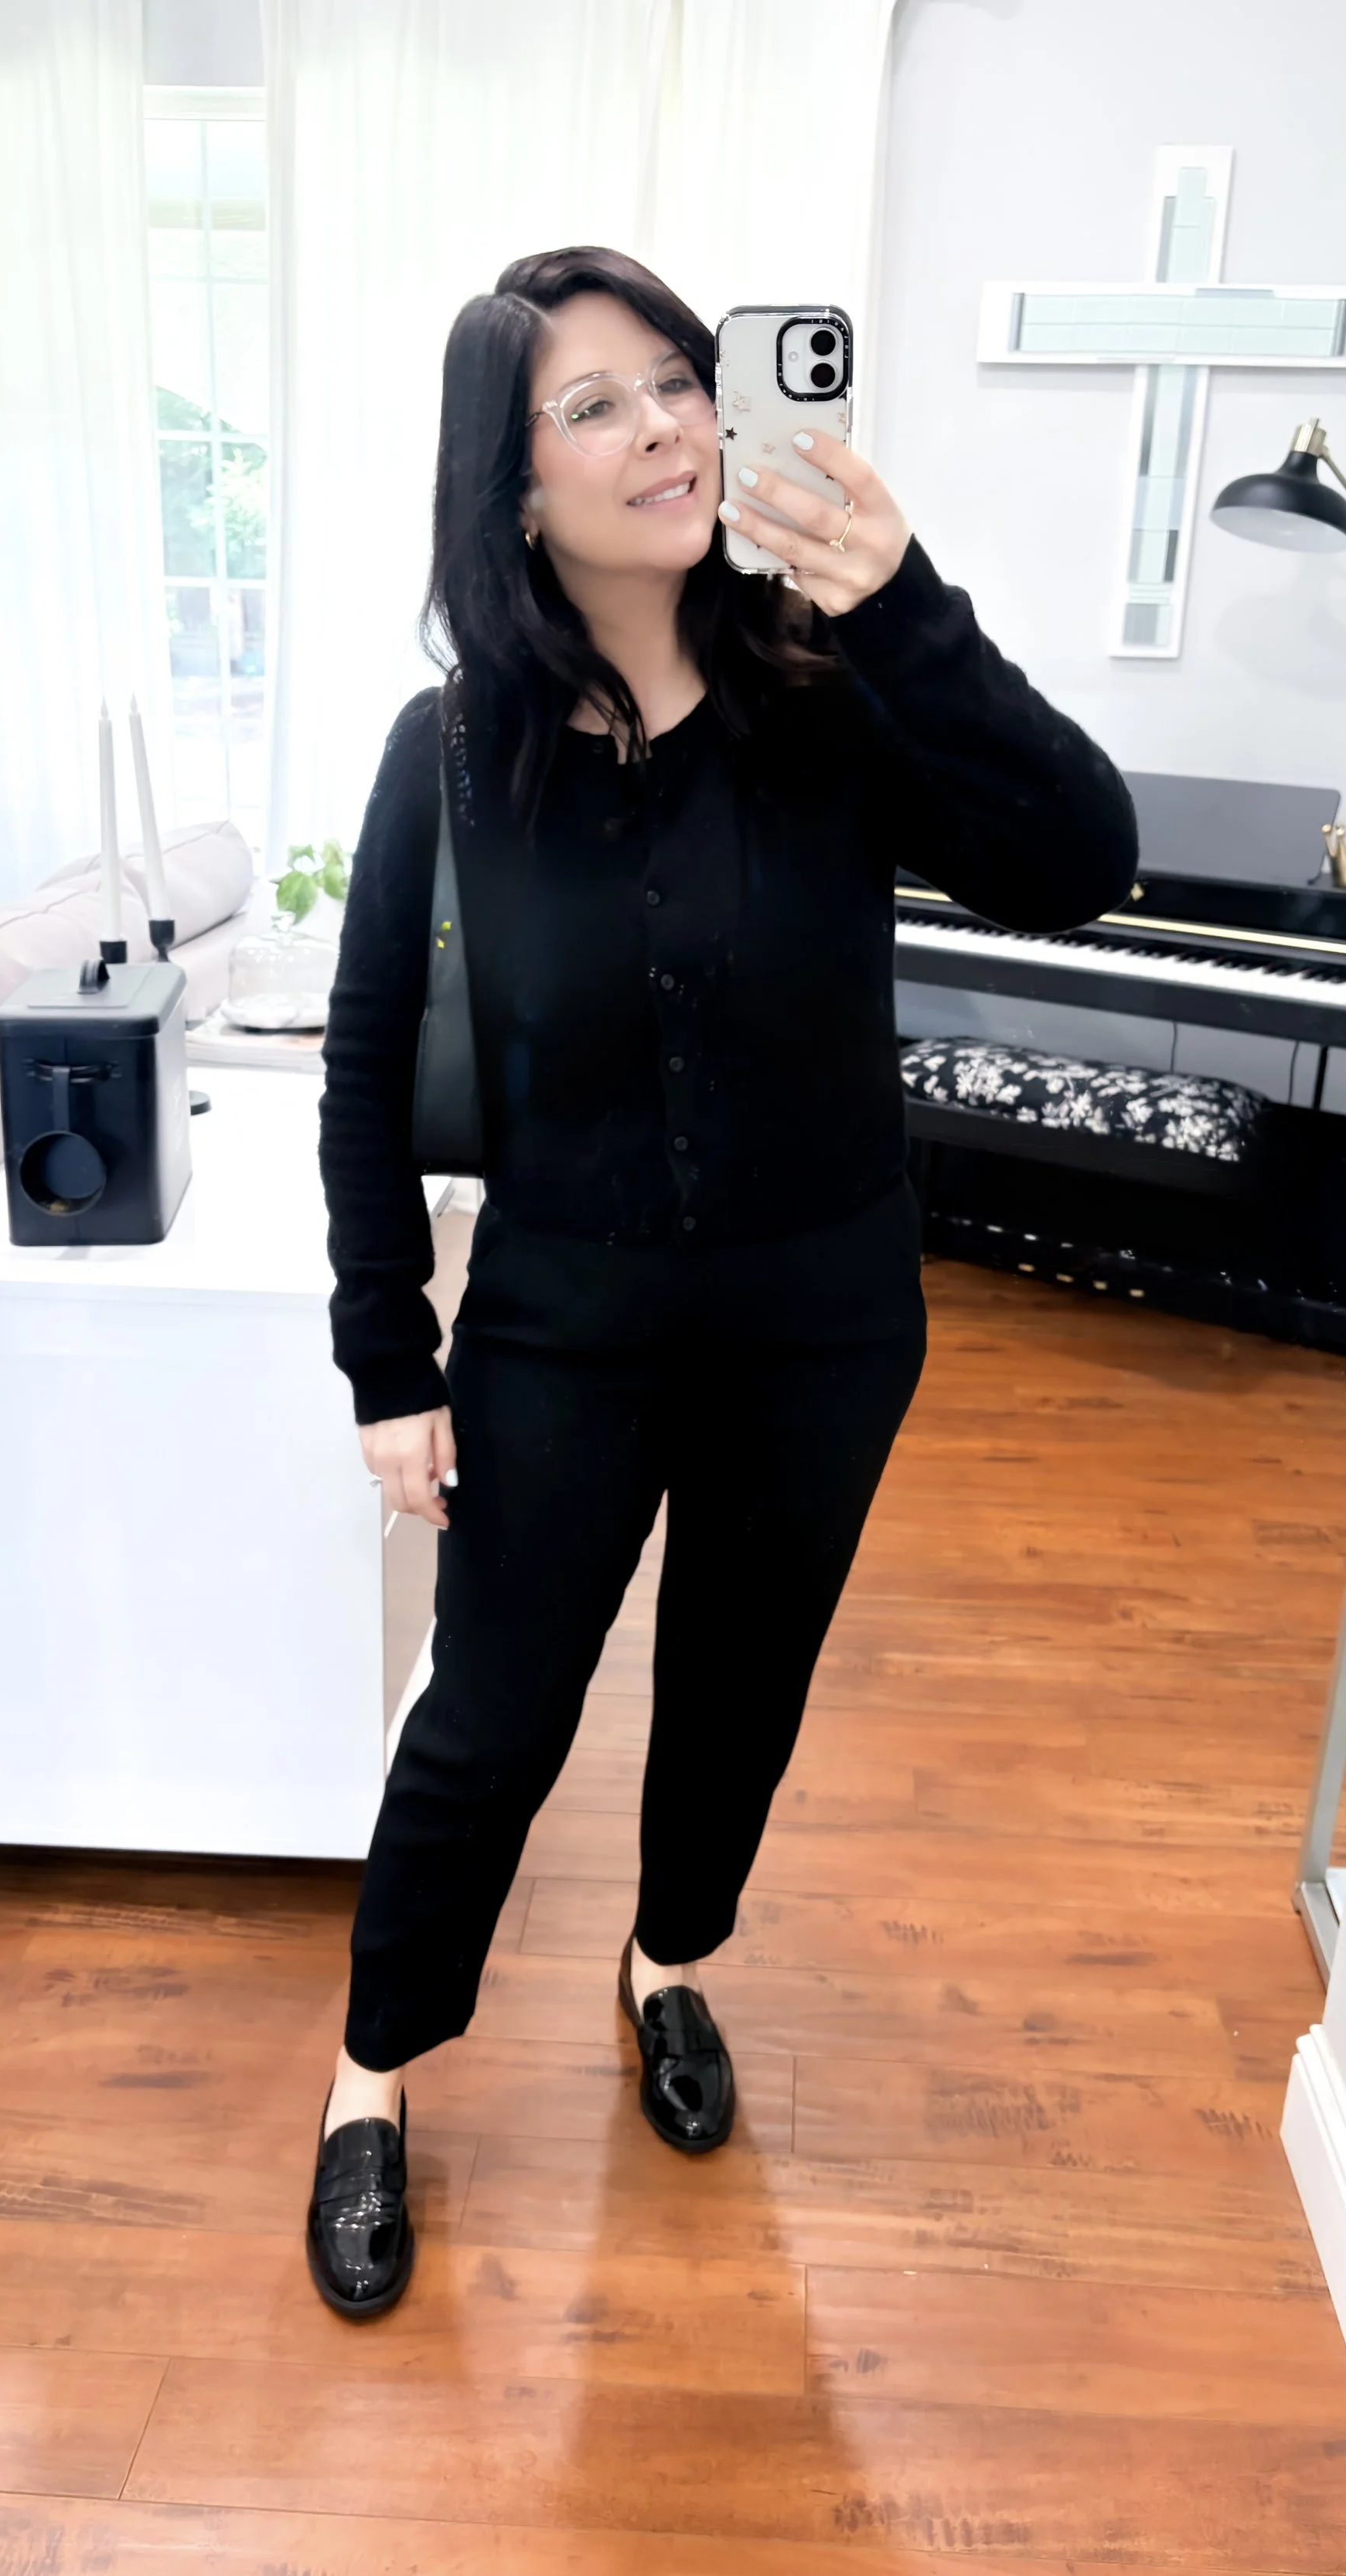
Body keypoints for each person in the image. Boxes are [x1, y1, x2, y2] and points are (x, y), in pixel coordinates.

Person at [308, 245, 1136, 2319]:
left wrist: (908, 607)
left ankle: (667, 1959)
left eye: (680, 380)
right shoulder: (451, 751)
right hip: (561, 1326)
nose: (667, 425)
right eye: (595, 404)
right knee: (490, 1718)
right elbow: (360, 1063)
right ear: (511, 489)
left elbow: (1080, 859)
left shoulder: (828, 694)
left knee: (740, 1690)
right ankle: (370, 2074)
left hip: (820, 1322)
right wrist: (386, 1359)